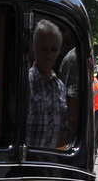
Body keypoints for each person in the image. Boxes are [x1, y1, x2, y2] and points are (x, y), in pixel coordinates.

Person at [25, 19, 70, 151]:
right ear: (35, 49)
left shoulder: (60, 87)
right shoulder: (25, 83)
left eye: (54, 49)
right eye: (44, 48)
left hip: (50, 162)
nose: (49, 54)